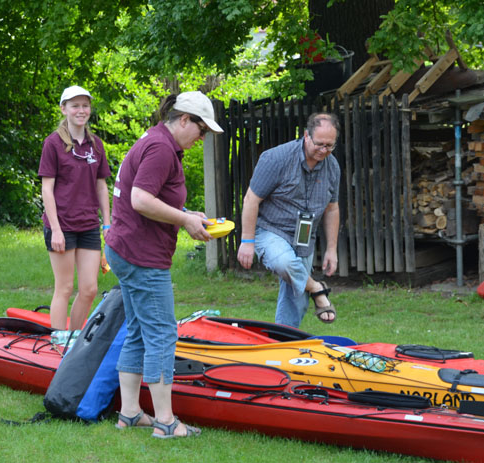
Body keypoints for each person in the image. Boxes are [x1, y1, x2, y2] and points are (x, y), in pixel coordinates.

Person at [105, 91, 223, 438]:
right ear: (184, 119)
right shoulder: (160, 148)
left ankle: (128, 413)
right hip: (141, 255)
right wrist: (184, 222)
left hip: (124, 248)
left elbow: (151, 195)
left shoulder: (158, 141)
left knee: (140, 330)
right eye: (201, 130)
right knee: (161, 333)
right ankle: (166, 422)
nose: (202, 139)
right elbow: (140, 199)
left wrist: (188, 214)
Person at [237, 112, 341, 328]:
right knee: (284, 263)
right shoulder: (276, 159)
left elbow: (332, 209)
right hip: (271, 229)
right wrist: (247, 242)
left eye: (330, 146)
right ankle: (317, 288)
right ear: (306, 135)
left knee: (296, 299)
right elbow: (250, 199)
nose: (324, 151)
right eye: (319, 144)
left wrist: (332, 249)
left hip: (304, 236)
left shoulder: (332, 167)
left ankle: (283, 341)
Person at [38, 86, 111, 331]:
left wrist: (107, 224)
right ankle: (58, 342)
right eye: (75, 105)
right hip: (62, 226)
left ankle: (74, 339)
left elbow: (102, 187)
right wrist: (56, 230)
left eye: (85, 105)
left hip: (88, 225)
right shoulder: (53, 143)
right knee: (65, 287)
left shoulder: (96, 144)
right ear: (64, 109)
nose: (81, 110)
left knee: (89, 289)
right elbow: (47, 189)